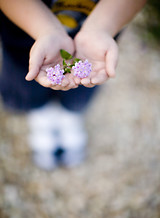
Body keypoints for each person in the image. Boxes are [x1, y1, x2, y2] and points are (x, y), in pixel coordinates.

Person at [0, 0, 146, 170]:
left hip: (99, 29)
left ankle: (70, 115)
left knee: (85, 79)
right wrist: (46, 31)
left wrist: (101, 29)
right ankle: (41, 115)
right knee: (25, 77)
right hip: (25, 29)